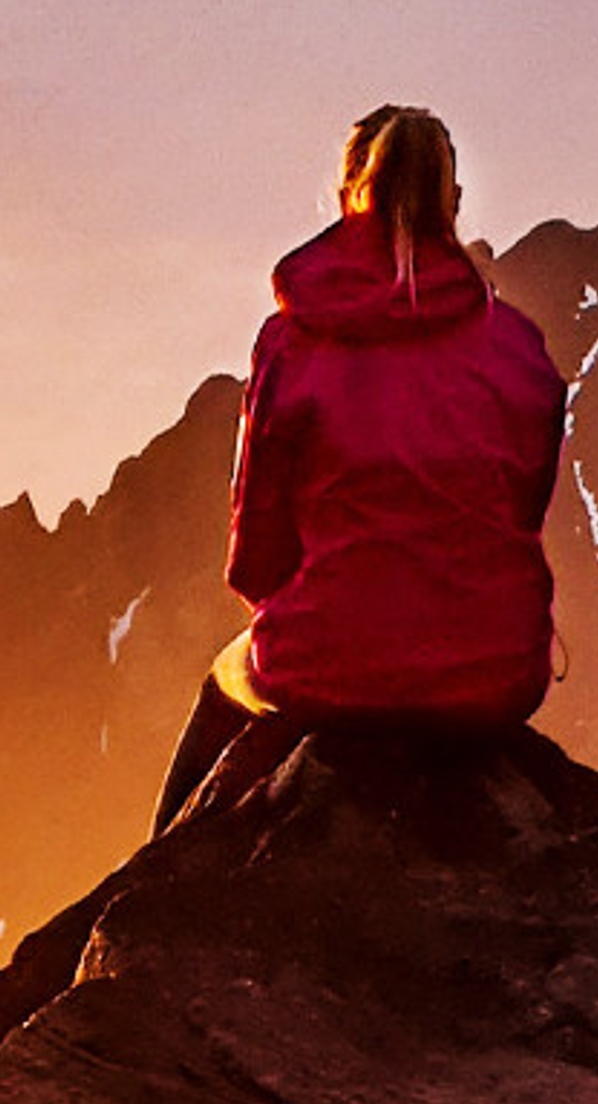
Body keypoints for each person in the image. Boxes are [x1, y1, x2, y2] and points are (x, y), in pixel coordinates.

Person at [154, 103, 567, 833]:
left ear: (349, 193)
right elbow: (522, 510)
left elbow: (257, 552)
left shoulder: (293, 342)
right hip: (494, 671)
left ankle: (154, 875)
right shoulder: (520, 349)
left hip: (329, 660)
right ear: (454, 202)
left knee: (220, 692)